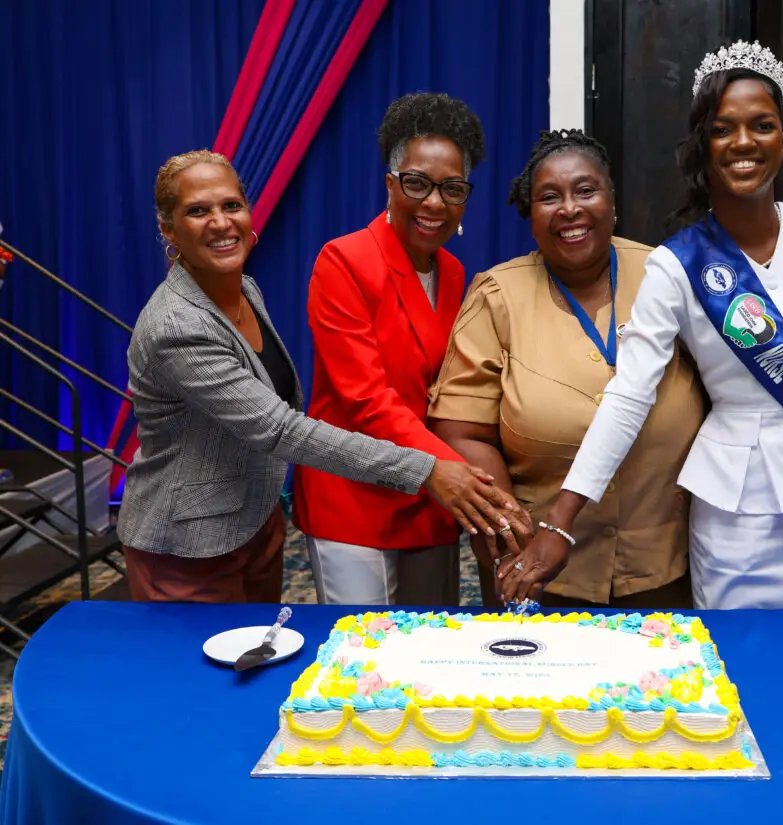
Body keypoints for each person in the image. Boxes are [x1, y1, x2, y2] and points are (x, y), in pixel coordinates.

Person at [497, 41, 783, 610]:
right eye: (723, 129)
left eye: (762, 125)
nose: (744, 142)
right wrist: (561, 521)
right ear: (705, 146)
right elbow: (628, 396)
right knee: (735, 660)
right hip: (736, 513)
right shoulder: (676, 265)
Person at [118, 150, 520, 604]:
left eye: (231, 205)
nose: (221, 222)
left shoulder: (242, 288)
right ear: (169, 230)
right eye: (198, 211)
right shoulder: (177, 325)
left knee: (264, 652)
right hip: (188, 543)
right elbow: (279, 428)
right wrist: (428, 469)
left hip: (255, 525)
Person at [430, 129, 706, 609]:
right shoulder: (497, 296)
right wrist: (509, 532)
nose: (569, 209)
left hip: (665, 560)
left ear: (612, 201)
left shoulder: (667, 275)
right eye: (549, 197)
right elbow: (461, 432)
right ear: (530, 214)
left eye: (585, 190)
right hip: (539, 570)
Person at [291, 93, 529, 607]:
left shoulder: (455, 273)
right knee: (364, 649)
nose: (434, 203)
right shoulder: (343, 261)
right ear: (390, 185)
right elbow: (366, 400)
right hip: (357, 494)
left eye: (452, 189)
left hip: (431, 500)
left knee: (428, 645)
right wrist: (457, 473)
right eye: (417, 183)